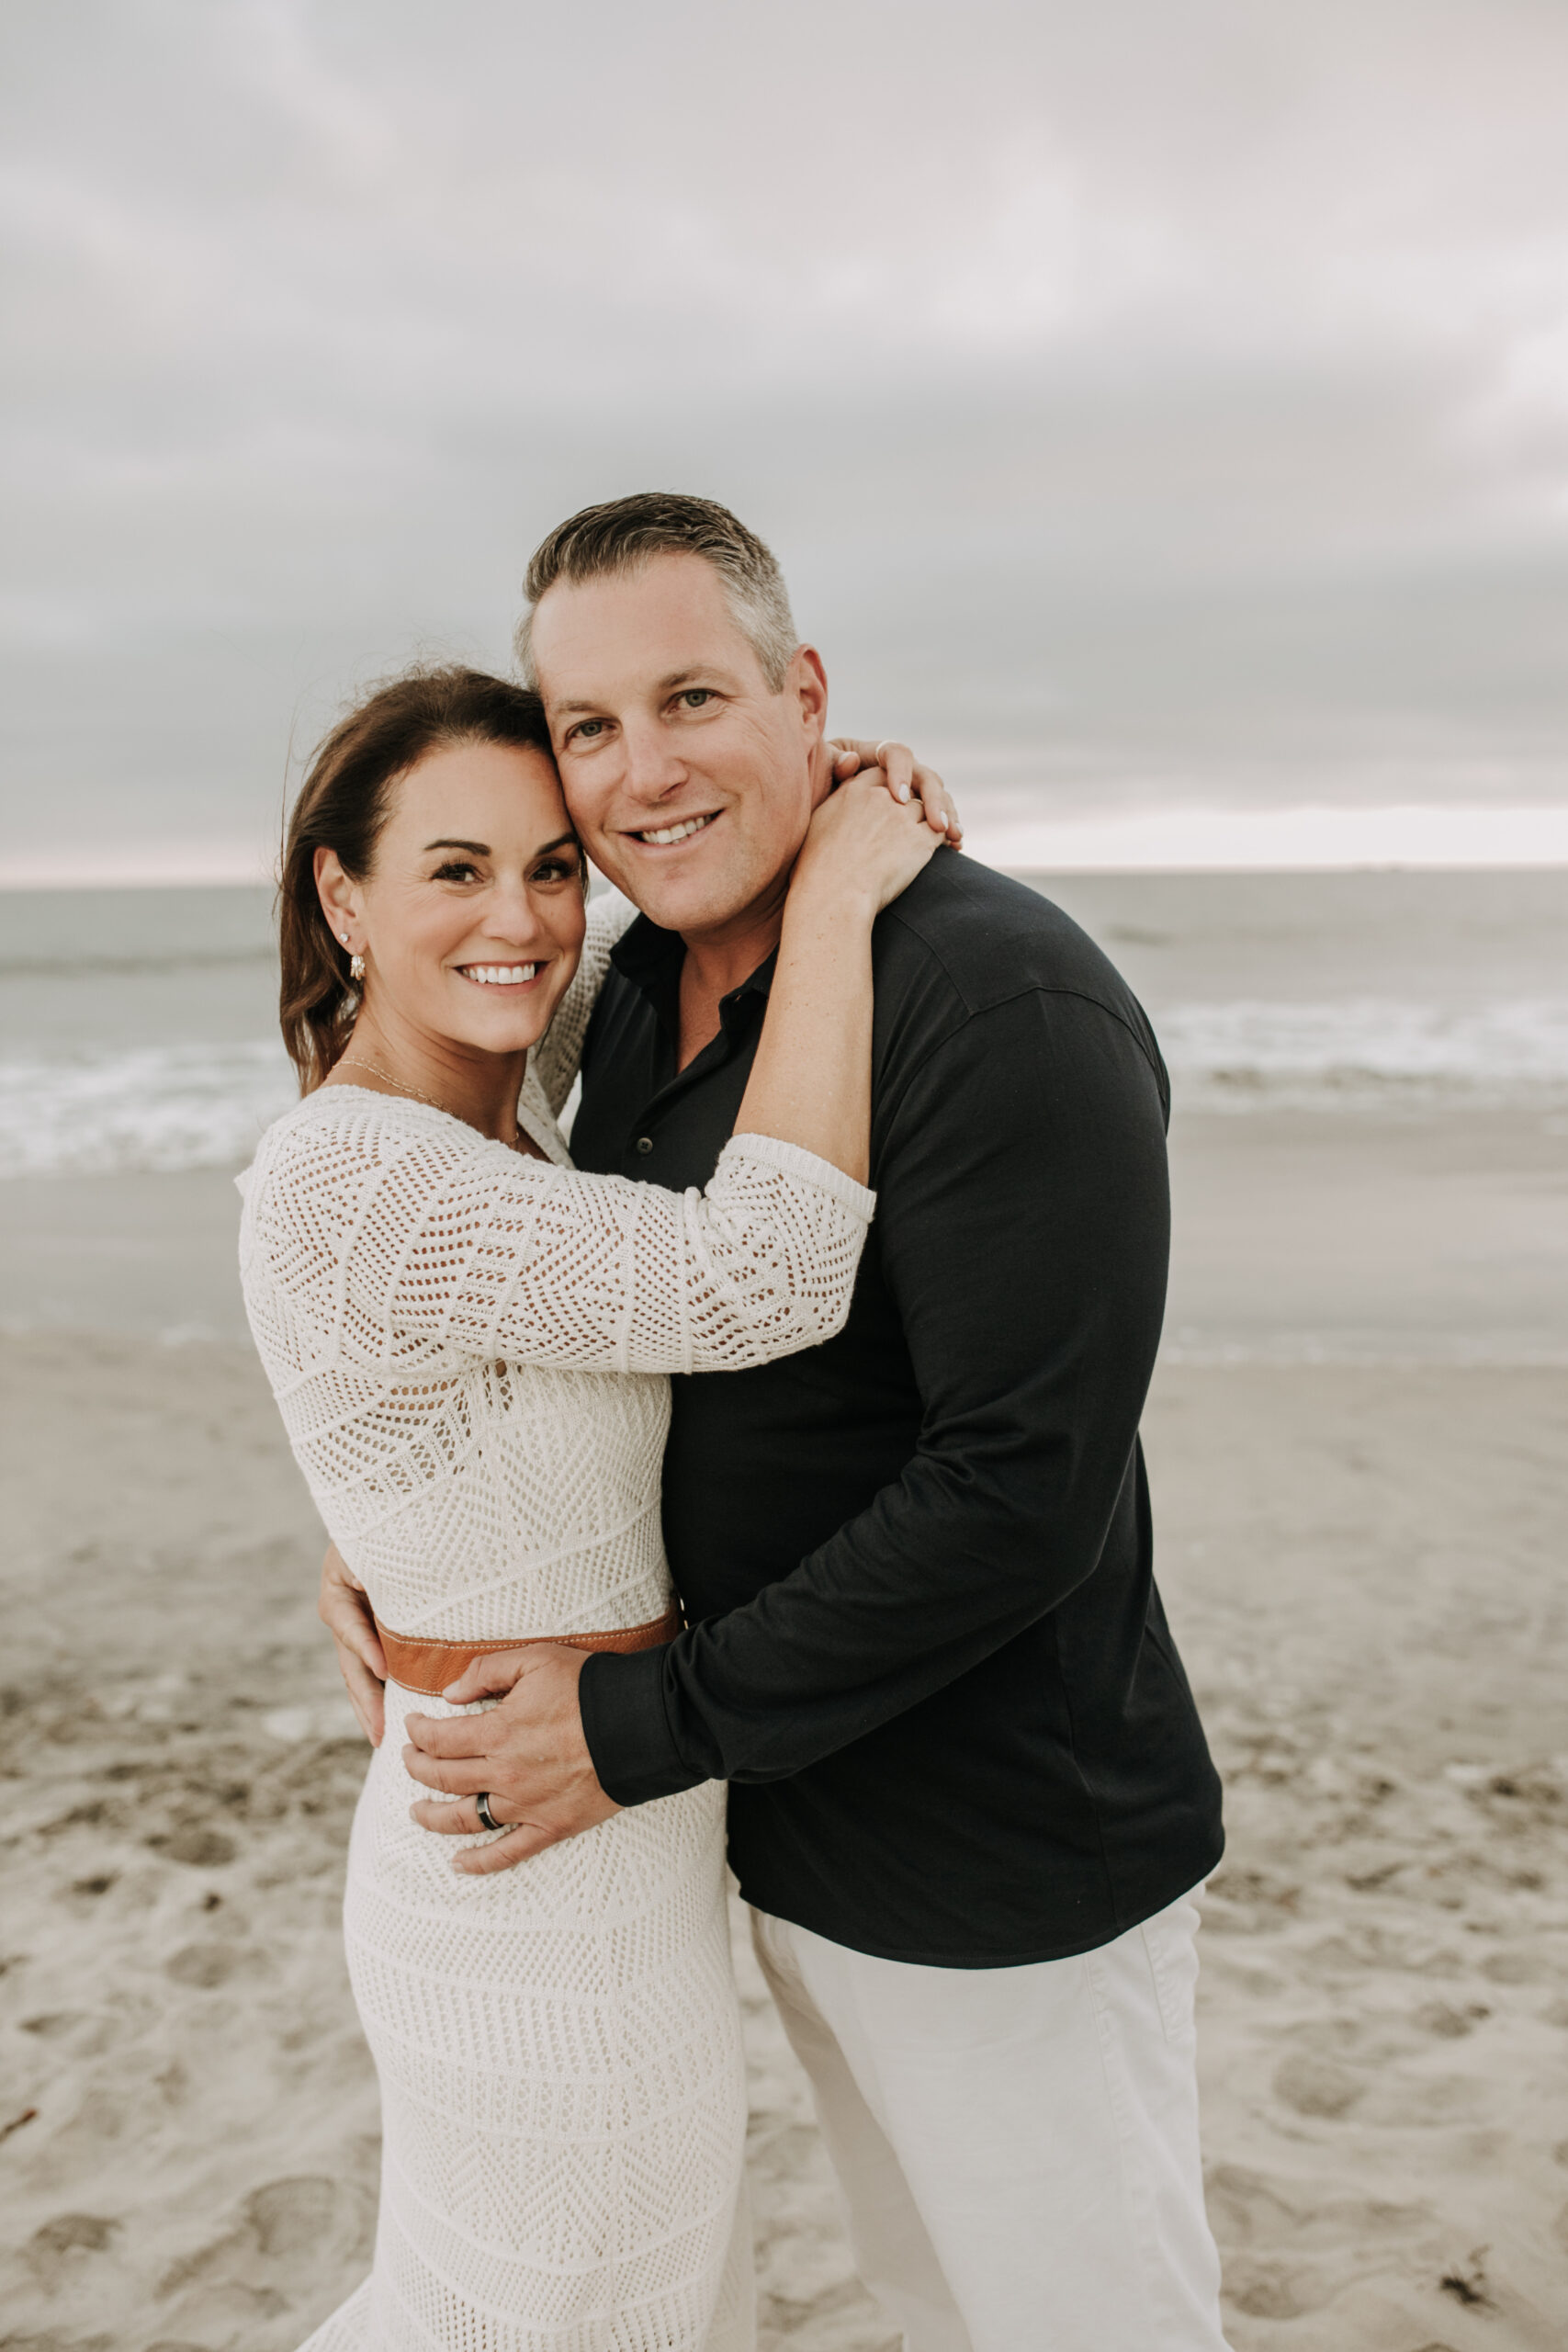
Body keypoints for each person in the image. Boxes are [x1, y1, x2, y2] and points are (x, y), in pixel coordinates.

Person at [326, 494, 1233, 2352]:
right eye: (589, 726)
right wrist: (399, 1528)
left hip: (1001, 1866)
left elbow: (1015, 1490)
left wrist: (638, 1722)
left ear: (801, 691)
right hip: (780, 1828)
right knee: (922, 2298)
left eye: (689, 698)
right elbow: (571, 1307)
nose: (640, 772)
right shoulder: (642, 987)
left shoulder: (1002, 1002)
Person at [237, 661, 944, 2352]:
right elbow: (760, 1274)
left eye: (551, 864)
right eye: (456, 871)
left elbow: (644, 935)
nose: (528, 919)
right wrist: (838, 893)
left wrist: (782, 789)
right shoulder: (363, 1175)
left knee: (639, 2302)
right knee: (544, 2312)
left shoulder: (503, 1092)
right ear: (343, 894)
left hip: (618, 1832)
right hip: (521, 1891)